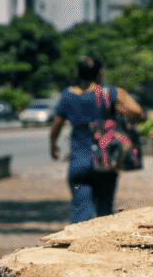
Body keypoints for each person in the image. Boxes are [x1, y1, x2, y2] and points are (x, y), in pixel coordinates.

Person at [50, 56, 145, 223]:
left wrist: (53, 146)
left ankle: (78, 245)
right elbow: (137, 114)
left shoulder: (67, 96)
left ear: (77, 73)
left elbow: (56, 126)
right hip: (105, 161)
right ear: (100, 72)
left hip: (78, 162)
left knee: (81, 208)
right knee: (105, 210)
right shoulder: (110, 94)